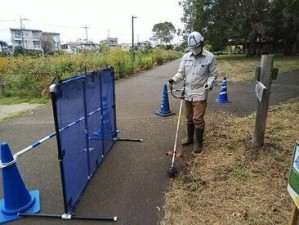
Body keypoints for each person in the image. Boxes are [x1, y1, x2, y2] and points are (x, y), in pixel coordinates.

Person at [168, 31, 217, 154]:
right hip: (188, 92)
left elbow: (213, 75)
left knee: (198, 118)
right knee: (189, 117)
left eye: (196, 47)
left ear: (201, 44)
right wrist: (174, 80)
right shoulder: (185, 57)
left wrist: (209, 84)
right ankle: (190, 138)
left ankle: (199, 142)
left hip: (200, 92)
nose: (194, 50)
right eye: (192, 48)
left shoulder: (210, 57)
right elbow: (181, 73)